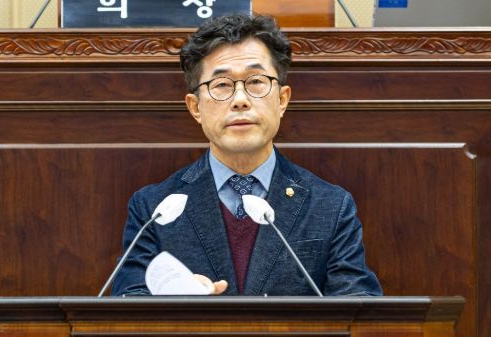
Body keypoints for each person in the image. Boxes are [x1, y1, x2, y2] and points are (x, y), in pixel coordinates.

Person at [112, 13, 381, 296]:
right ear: (195, 107)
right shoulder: (154, 209)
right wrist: (180, 304)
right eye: (221, 85)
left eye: (255, 81)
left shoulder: (331, 206)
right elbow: (129, 303)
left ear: (282, 99)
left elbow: (357, 306)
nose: (240, 100)